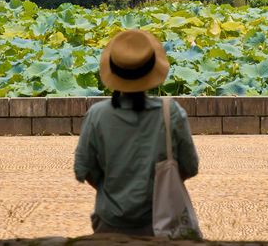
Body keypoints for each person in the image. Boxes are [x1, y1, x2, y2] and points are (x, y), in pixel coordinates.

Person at [74, 28, 199, 235]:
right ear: (152, 70)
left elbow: (84, 169)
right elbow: (190, 166)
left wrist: (113, 190)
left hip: (110, 224)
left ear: (113, 70)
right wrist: (160, 189)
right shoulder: (172, 112)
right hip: (163, 224)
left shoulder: (96, 115)